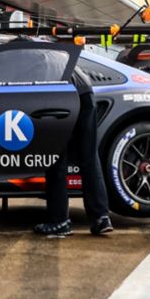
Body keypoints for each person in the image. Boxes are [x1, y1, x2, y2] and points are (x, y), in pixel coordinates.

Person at [33, 68, 113, 238]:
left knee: (55, 158)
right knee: (89, 156)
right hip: (84, 91)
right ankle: (101, 217)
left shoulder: (22, 50)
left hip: (60, 94)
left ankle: (59, 221)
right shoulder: (47, 48)